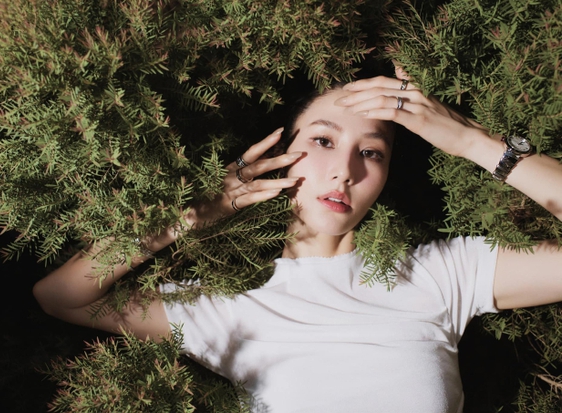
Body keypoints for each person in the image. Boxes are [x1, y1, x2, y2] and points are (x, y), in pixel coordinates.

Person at [33, 71, 562, 412]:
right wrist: (191, 216)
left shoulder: (442, 273)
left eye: (371, 152)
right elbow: (61, 296)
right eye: (324, 140)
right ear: (282, 155)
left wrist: (472, 141)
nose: (346, 170)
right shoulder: (227, 310)